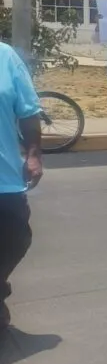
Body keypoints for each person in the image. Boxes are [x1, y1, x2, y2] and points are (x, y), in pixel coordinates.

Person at [0, 43, 43, 331]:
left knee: (16, 239)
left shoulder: (5, 56)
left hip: (4, 179)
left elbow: (28, 111)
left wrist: (33, 154)